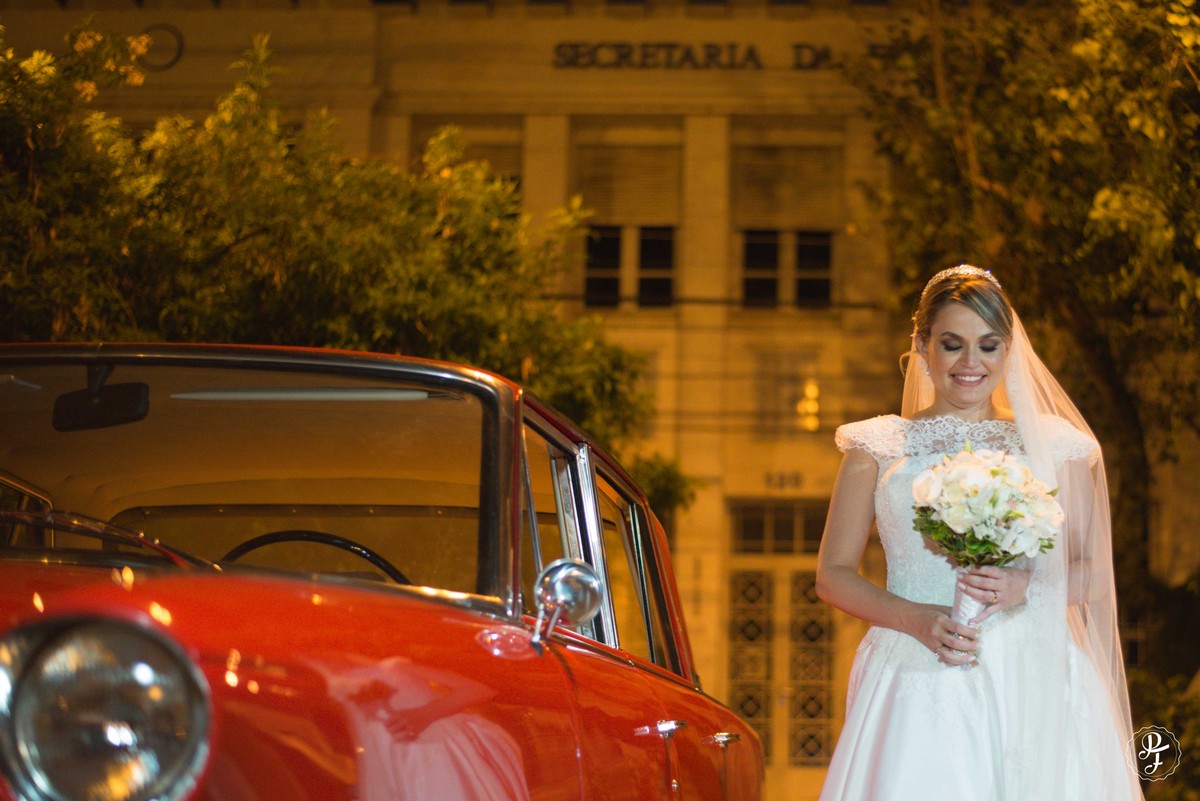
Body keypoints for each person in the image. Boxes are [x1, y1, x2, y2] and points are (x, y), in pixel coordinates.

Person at [815, 265, 1144, 801]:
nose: (971, 362)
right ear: (922, 348)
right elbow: (832, 575)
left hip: (1032, 671)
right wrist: (914, 619)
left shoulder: (1052, 446)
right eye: (952, 344)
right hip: (915, 668)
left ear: (1008, 351)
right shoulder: (876, 447)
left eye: (988, 346)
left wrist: (1027, 587)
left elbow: (1097, 571)